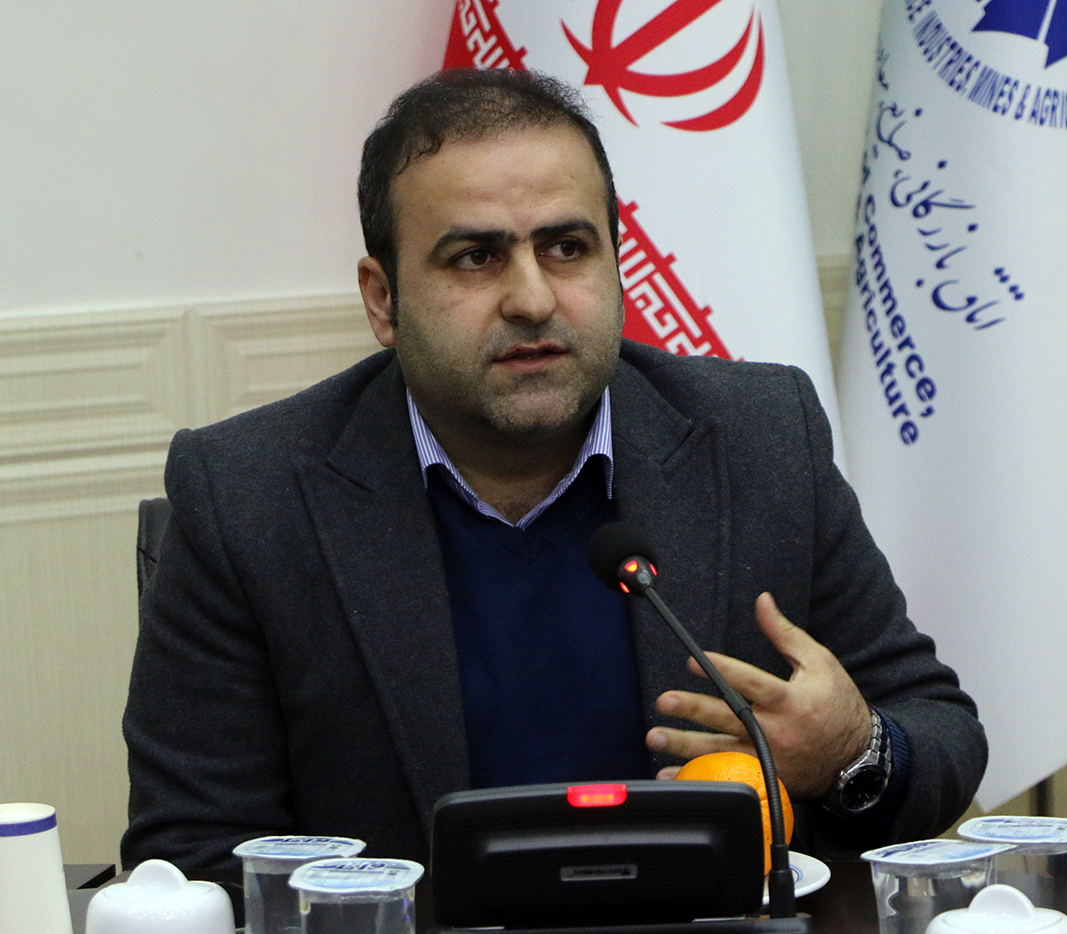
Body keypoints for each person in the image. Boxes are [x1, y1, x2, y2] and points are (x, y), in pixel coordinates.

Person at [121, 68, 986, 871]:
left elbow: (939, 732)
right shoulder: (249, 495)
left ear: (616, 261)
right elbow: (193, 848)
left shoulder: (759, 438)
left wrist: (850, 755)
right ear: (383, 300)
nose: (533, 299)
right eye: (475, 257)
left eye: (568, 247)